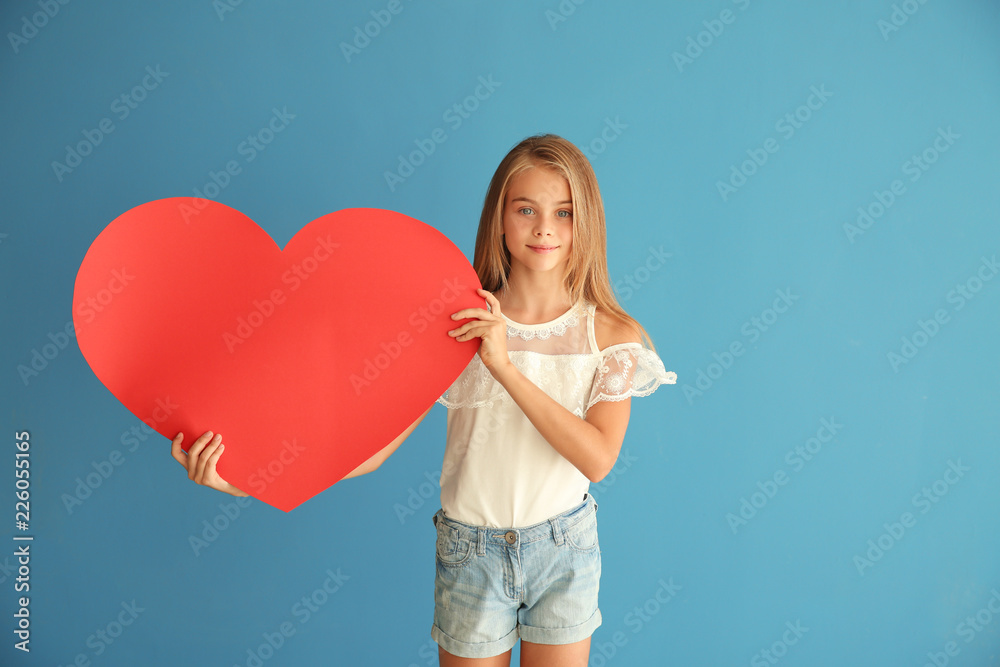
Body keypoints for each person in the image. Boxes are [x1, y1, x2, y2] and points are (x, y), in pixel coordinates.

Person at [171, 133, 675, 666]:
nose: (545, 227)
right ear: (500, 218)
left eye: (564, 212)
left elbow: (597, 458)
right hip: (470, 554)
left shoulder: (611, 336)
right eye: (525, 209)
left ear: (587, 220)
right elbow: (373, 450)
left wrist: (503, 365)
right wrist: (245, 477)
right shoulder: (456, 325)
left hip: (563, 550)